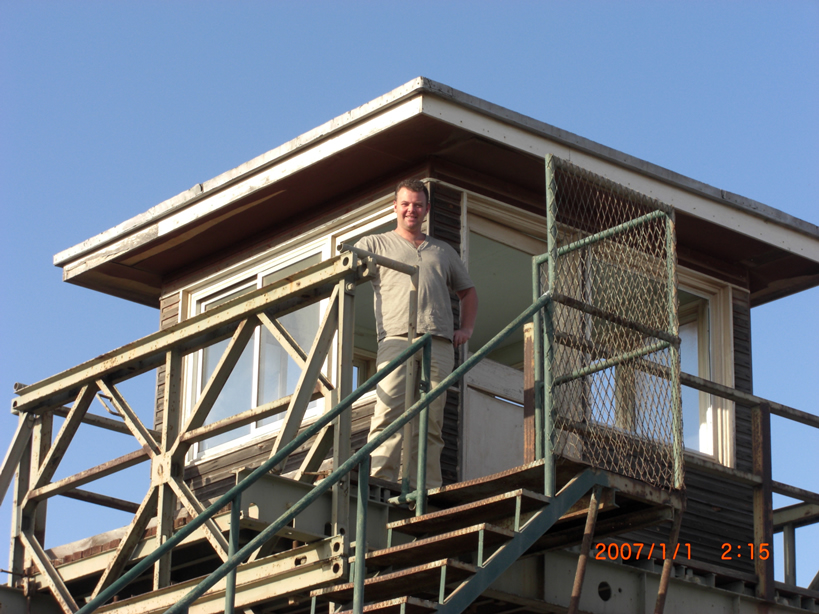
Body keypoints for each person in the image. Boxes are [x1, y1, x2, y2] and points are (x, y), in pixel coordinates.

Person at [356, 179, 478, 489]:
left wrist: (466, 329)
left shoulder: (442, 251)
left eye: (418, 205)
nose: (412, 209)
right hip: (396, 340)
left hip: (437, 342)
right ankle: (380, 484)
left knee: (431, 421)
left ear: (427, 209)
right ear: (395, 207)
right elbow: (343, 269)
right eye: (406, 203)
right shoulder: (375, 244)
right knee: (388, 414)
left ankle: (425, 488)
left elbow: (468, 292)